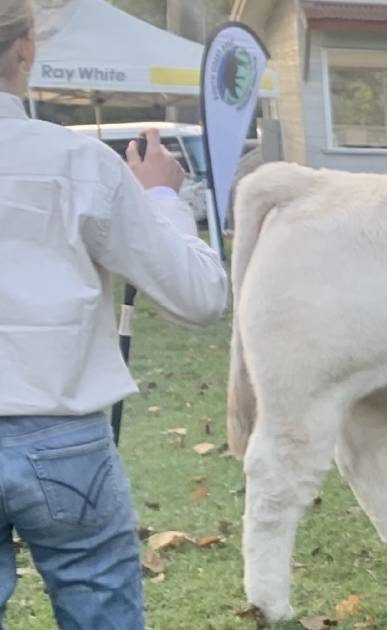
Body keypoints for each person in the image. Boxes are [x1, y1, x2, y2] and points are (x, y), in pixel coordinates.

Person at [0, 3, 228, 628]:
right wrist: (160, 197)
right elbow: (200, 295)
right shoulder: (79, 163)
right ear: (26, 47)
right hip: (61, 432)